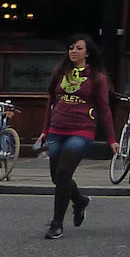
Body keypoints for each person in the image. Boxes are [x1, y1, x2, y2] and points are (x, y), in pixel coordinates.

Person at [42, 34, 114, 239]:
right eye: (71, 47)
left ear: (87, 53)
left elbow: (104, 108)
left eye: (79, 48)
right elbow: (51, 101)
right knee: (57, 177)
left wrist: (111, 139)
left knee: (64, 173)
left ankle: (57, 224)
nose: (73, 51)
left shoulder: (97, 77)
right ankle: (80, 200)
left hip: (81, 130)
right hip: (57, 128)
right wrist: (44, 129)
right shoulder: (60, 72)